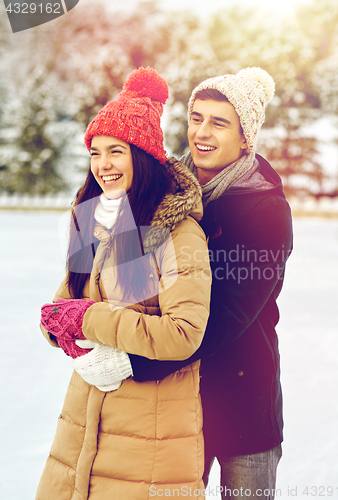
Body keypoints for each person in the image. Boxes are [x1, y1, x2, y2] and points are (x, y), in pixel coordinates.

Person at [37, 67, 211, 499]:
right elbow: (64, 310)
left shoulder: (177, 232)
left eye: (116, 151)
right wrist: (56, 326)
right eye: (95, 153)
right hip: (82, 427)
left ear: (143, 156)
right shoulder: (89, 219)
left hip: (150, 433)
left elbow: (183, 334)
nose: (103, 165)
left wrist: (89, 319)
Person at [125, 68, 293, 499]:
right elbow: (123, 271)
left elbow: (225, 318)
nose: (202, 132)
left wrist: (135, 363)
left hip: (243, 402)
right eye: (196, 118)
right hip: (176, 400)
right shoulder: (165, 192)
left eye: (219, 123)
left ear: (245, 139)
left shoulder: (266, 211)